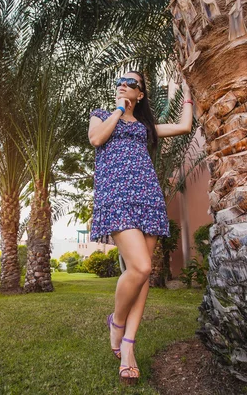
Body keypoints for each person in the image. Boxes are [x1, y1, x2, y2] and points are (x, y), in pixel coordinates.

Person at [88, 71, 193, 385]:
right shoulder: (101, 115)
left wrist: (188, 92)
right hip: (117, 197)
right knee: (141, 266)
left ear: (142, 95)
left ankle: (129, 347)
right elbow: (96, 139)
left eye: (131, 82)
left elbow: (185, 125)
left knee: (143, 274)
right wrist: (119, 109)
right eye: (121, 80)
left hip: (148, 197)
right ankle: (117, 321)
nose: (124, 83)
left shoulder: (146, 128)